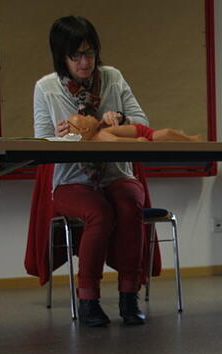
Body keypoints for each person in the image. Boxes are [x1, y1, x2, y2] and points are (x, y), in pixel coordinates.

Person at [33, 15, 154, 327]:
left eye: (89, 53)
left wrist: (122, 119)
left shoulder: (112, 78)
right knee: (99, 212)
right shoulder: (46, 88)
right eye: (75, 56)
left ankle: (129, 295)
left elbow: (143, 124)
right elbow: (39, 142)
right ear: (62, 57)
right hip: (72, 180)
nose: (84, 62)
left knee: (129, 204)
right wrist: (55, 137)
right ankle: (88, 298)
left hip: (115, 173)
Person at [64, 112, 201, 142]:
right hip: (144, 135)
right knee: (165, 133)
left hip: (143, 131)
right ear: (84, 130)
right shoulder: (100, 136)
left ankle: (185, 137)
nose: (89, 115)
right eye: (85, 118)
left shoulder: (100, 131)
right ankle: (190, 139)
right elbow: (117, 142)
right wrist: (137, 142)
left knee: (166, 133)